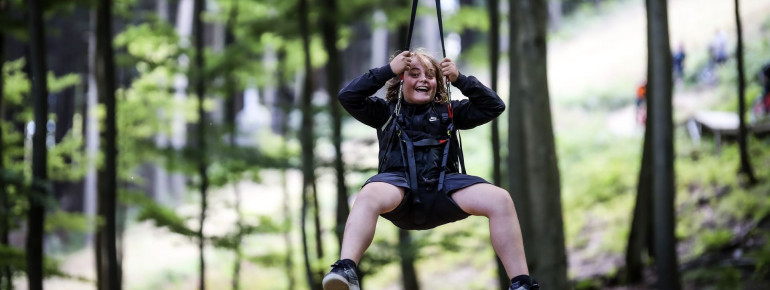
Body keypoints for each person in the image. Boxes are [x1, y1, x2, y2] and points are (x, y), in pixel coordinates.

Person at [322, 49, 538, 290]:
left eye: (430, 75)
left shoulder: (451, 111)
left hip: (445, 189)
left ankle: (521, 283)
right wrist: (388, 70)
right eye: (414, 74)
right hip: (400, 191)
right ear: (401, 79)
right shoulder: (384, 111)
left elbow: (494, 106)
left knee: (500, 199)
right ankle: (346, 268)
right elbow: (348, 96)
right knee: (369, 192)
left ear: (438, 83)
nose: (423, 80)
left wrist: (460, 79)